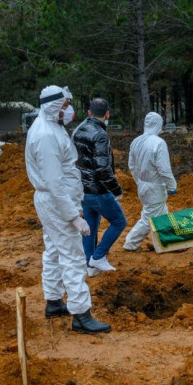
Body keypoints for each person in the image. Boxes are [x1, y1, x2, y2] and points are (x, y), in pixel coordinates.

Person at [25, 85, 111, 334]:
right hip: (56, 202)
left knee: (53, 250)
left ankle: (53, 302)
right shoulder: (46, 135)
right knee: (73, 256)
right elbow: (54, 182)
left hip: (53, 201)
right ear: (53, 106)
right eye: (65, 105)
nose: (68, 110)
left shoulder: (51, 127)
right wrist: (73, 217)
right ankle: (81, 314)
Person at [72, 98, 126, 276]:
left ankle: (90, 265)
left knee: (91, 228)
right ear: (107, 114)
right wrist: (116, 189)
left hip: (83, 189)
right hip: (98, 190)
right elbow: (102, 168)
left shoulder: (79, 130)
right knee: (119, 221)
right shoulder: (101, 135)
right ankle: (98, 257)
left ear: (89, 113)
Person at [123, 112, 178, 251]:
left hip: (142, 184)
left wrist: (139, 181)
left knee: (162, 213)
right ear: (158, 124)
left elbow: (132, 165)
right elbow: (164, 169)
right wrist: (172, 185)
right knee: (149, 217)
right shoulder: (158, 143)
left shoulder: (136, 141)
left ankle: (166, 241)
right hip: (154, 186)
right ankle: (130, 243)